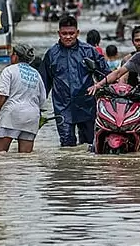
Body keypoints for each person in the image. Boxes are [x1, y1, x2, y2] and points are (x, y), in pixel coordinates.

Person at [39, 15, 110, 147]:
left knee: (90, 144)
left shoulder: (89, 51)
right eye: (64, 33)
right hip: (62, 107)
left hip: (87, 105)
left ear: (77, 33)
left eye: (71, 33)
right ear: (59, 33)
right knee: (66, 144)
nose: (68, 37)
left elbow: (106, 75)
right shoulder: (51, 54)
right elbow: (43, 83)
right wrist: (37, 106)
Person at [0, 43, 48, 153]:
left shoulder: (9, 70)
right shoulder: (36, 74)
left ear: (15, 56)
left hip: (11, 116)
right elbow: (42, 101)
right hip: (31, 117)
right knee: (25, 159)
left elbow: (2, 94)